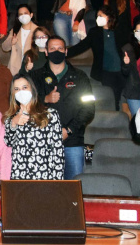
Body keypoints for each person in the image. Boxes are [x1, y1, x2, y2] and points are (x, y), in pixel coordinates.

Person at [31, 36, 94, 180]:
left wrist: (69, 130)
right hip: (43, 142)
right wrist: (45, 99)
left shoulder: (80, 76)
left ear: (66, 51)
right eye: (52, 48)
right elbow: (26, 106)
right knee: (46, 190)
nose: (56, 51)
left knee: (73, 189)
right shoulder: (35, 76)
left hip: (72, 142)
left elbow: (89, 109)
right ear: (46, 52)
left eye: (60, 48)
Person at [4, 74, 64, 180]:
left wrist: (57, 181)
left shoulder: (50, 114)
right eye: (17, 89)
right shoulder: (11, 118)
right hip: (20, 176)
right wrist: (14, 123)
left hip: (45, 175)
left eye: (24, 87)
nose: (21, 91)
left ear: (32, 89)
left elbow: (58, 152)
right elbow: (8, 142)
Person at [67, 7, 126, 110]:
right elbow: (81, 47)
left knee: (118, 99)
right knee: (110, 101)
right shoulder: (94, 32)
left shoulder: (120, 31)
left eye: (101, 16)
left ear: (109, 18)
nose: (98, 18)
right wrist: (64, 52)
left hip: (121, 71)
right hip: (105, 72)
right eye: (97, 16)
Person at [2, 6, 39, 75]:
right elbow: (4, 47)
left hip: (31, 66)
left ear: (31, 15)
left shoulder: (38, 31)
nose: (23, 16)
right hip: (15, 68)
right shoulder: (15, 30)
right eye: (20, 14)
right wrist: (11, 42)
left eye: (25, 13)